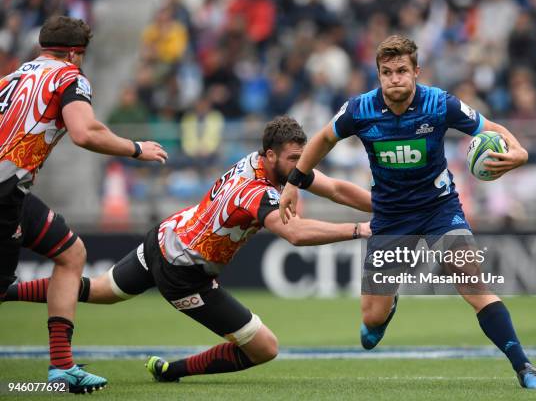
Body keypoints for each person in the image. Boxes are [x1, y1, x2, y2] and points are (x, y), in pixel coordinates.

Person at [4, 116, 373, 382]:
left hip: (167, 236)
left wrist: (388, 207)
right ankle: (173, 371)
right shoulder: (255, 193)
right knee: (265, 348)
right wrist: (360, 229)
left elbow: (337, 189)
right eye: (293, 159)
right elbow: (295, 233)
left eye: (301, 158)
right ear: (271, 156)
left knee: (100, 291)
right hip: (184, 274)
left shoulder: (268, 166)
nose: (299, 166)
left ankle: (7, 290)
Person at [278, 35, 536, 390]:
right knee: (371, 323)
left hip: (440, 208)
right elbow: (322, 140)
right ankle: (387, 307)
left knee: (472, 283)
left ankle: (525, 367)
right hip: (390, 217)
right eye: (387, 72)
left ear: (416, 72)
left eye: (402, 70)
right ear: (378, 75)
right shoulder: (359, 109)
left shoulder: (439, 103)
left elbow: (492, 128)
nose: (395, 78)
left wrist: (520, 153)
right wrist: (293, 184)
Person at [0, 16, 168, 393]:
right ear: (76, 53)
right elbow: (84, 131)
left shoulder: (14, 77)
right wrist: (136, 149)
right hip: (3, 194)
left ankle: (62, 367)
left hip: (14, 188)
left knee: (71, 254)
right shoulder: (70, 77)